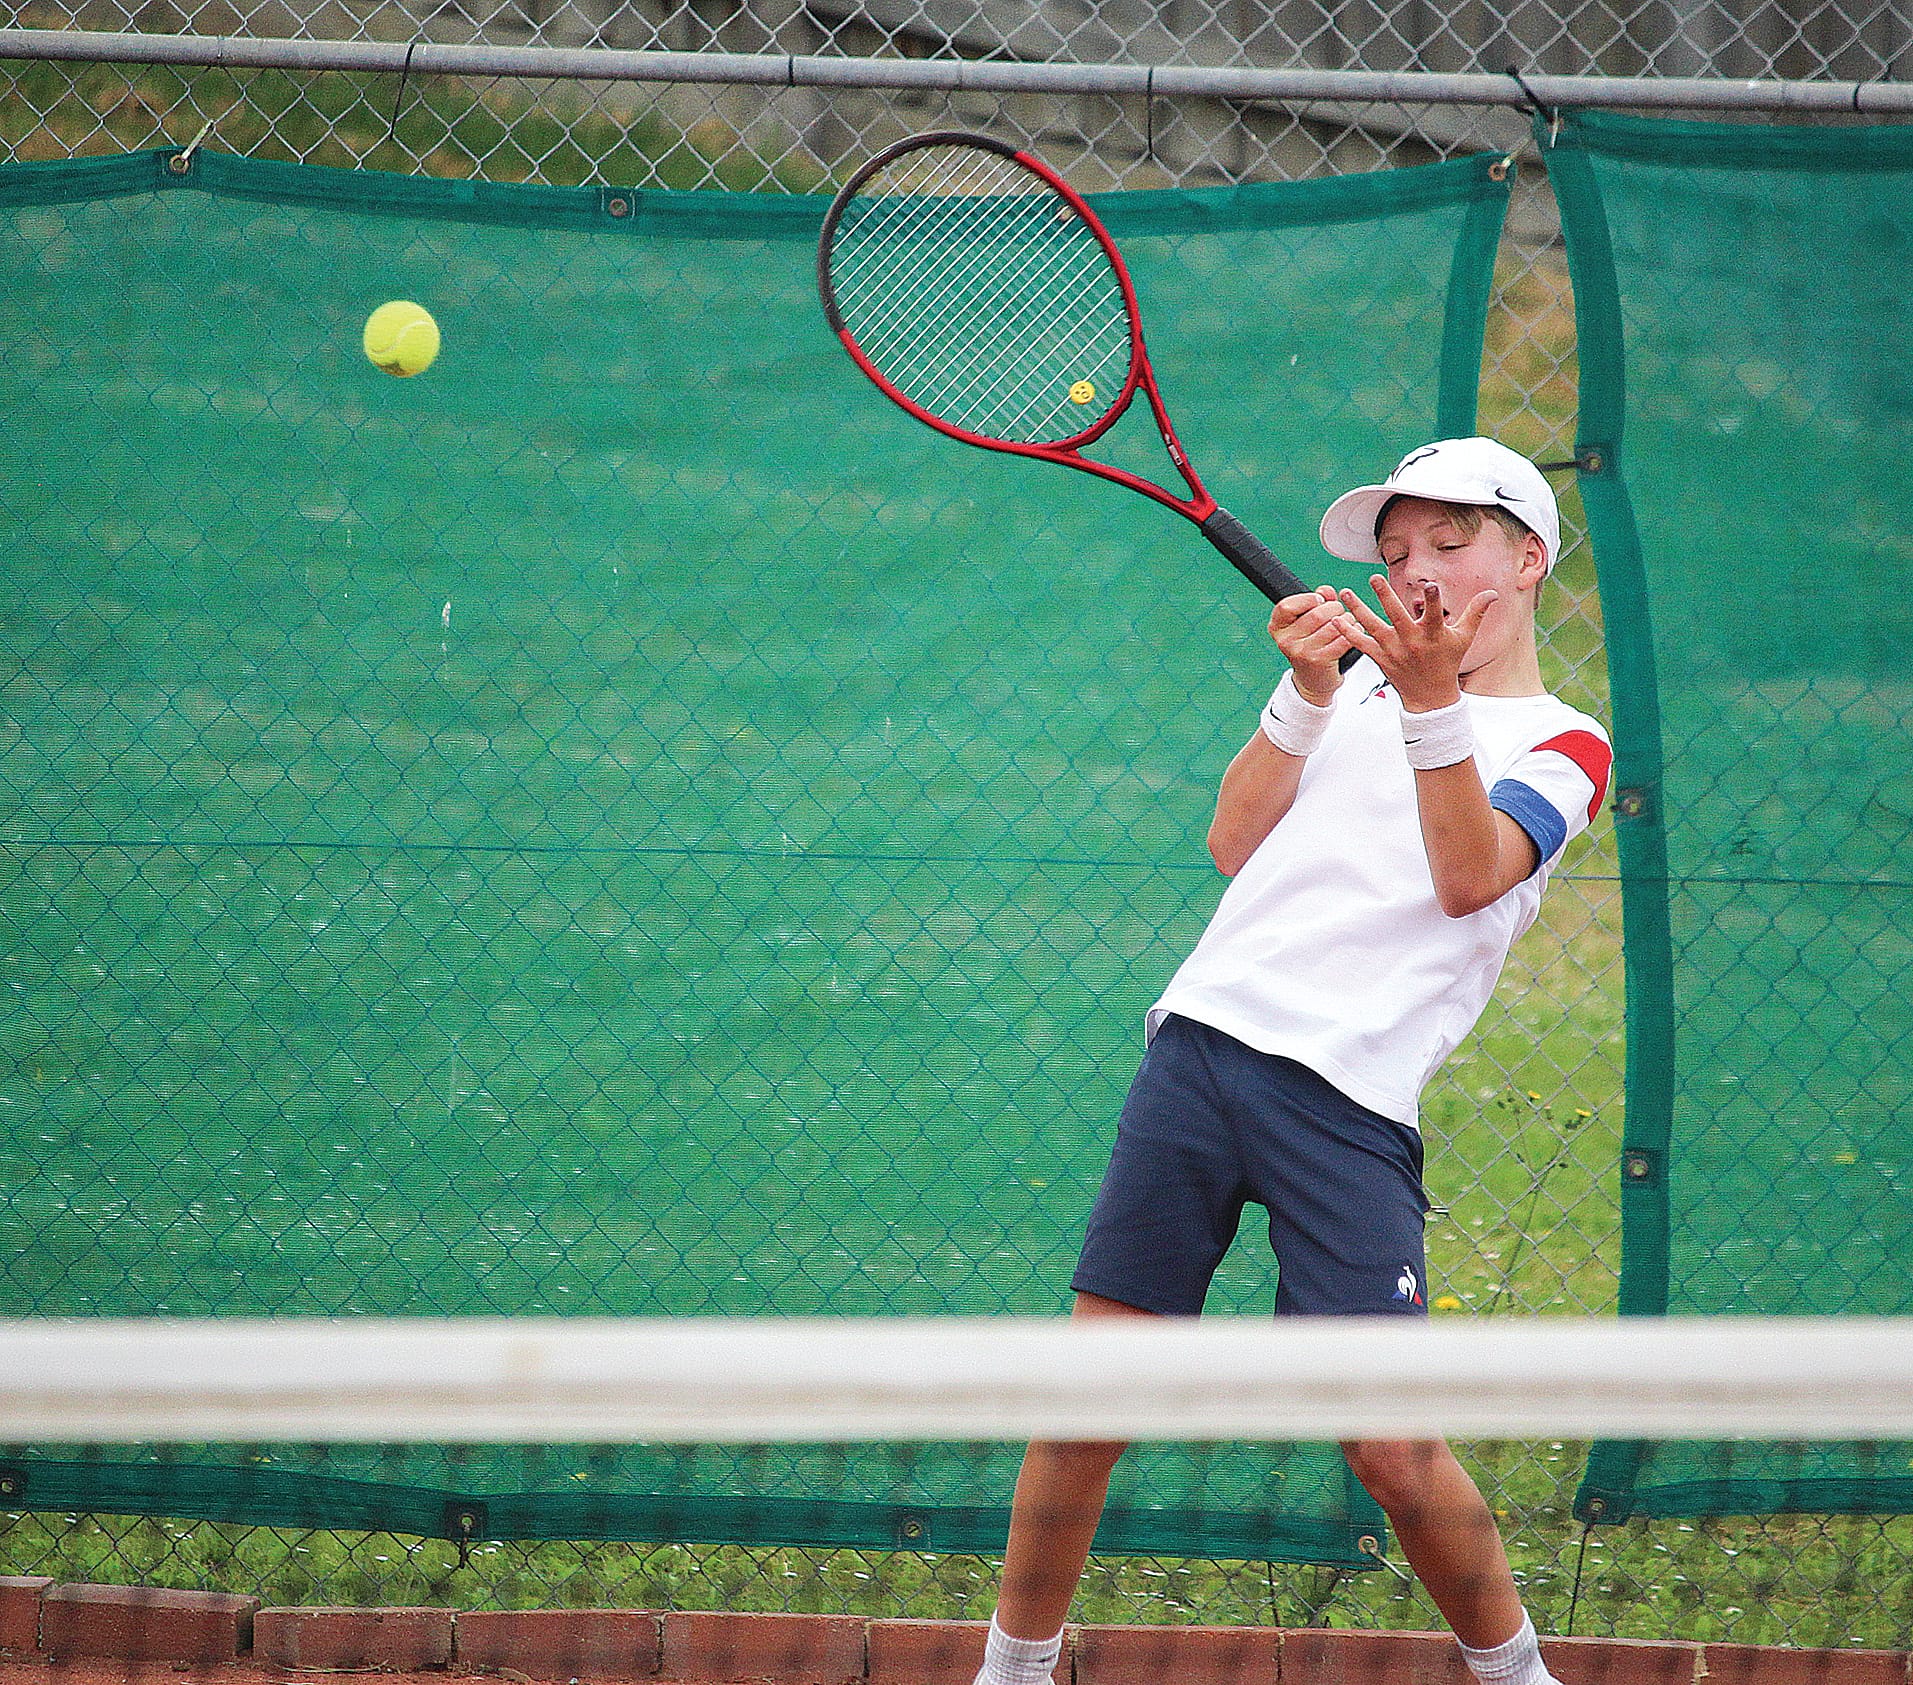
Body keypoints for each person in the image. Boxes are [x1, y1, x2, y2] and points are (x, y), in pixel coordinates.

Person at [973, 437, 1612, 1685]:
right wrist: (1307, 691)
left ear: (1528, 559)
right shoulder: (1356, 694)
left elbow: (1467, 873)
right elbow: (1231, 838)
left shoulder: (1561, 740)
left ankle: (1519, 1678)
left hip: (1347, 1105)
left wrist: (1427, 706)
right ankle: (1009, 1670)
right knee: (1088, 1396)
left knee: (1389, 1445)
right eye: (1395, 552)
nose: (1415, 572)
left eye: (1449, 544)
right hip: (1202, 1048)